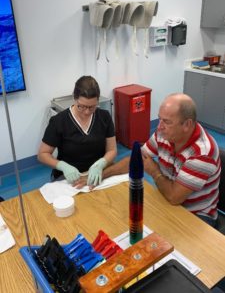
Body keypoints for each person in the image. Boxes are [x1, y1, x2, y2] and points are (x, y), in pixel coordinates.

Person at [86, 93, 220, 227]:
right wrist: (101, 174)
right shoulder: (164, 134)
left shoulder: (202, 153)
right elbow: (137, 159)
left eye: (167, 121)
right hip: (166, 198)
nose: (159, 127)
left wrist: (155, 172)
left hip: (197, 216)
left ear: (187, 124)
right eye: (160, 119)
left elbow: (174, 197)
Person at [38, 75, 117, 186]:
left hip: (98, 174)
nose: (86, 112)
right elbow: (42, 154)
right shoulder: (59, 121)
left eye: (92, 107)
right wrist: (63, 166)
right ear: (74, 98)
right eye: (82, 106)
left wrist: (101, 164)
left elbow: (112, 150)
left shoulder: (104, 117)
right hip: (68, 178)